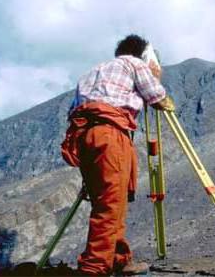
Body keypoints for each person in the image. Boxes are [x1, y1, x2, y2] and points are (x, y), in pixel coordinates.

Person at [61, 34, 174, 276]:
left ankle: (118, 259)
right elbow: (156, 96)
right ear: (144, 54)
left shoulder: (93, 72)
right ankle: (94, 268)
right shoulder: (135, 64)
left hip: (84, 137)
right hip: (110, 133)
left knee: (109, 199)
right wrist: (155, 74)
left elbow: (74, 108)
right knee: (111, 203)